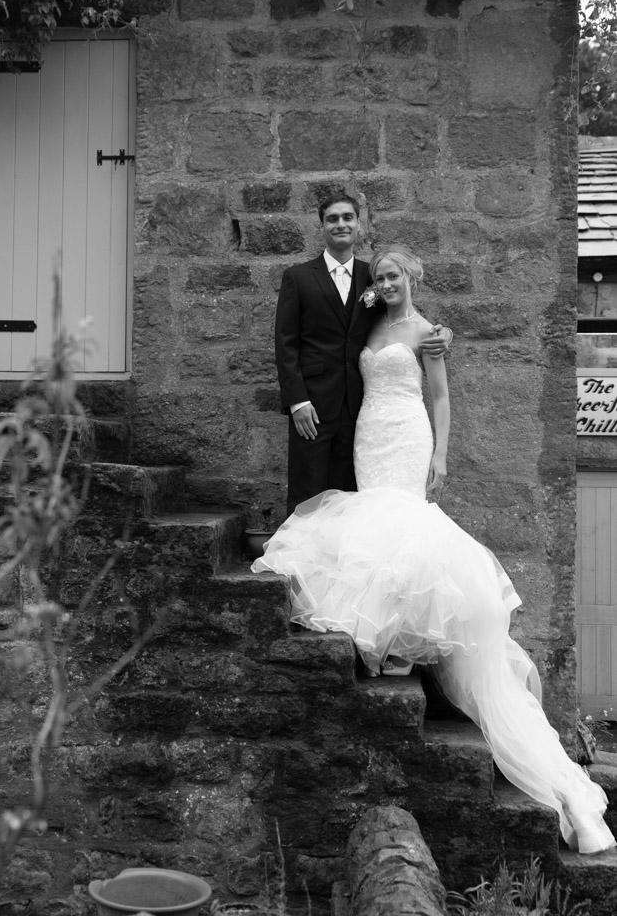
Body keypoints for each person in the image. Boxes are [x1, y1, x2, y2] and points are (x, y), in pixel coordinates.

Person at [254, 247, 616, 856]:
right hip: (369, 433)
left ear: (413, 279)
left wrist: (442, 455)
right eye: (382, 277)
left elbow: (440, 398)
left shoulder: (428, 333)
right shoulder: (368, 322)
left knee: (406, 525)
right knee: (375, 529)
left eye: (397, 275)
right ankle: (391, 643)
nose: (388, 282)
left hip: (408, 433)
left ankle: (401, 649)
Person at [275, 192, 451, 515]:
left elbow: (403, 321)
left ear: (358, 225)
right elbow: (285, 343)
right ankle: (304, 564)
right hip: (312, 407)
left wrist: (443, 335)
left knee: (352, 502)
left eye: (347, 218)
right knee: (308, 491)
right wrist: (296, 400)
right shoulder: (298, 278)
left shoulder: (370, 277)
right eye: (332, 219)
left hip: (358, 412)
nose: (341, 224)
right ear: (322, 226)